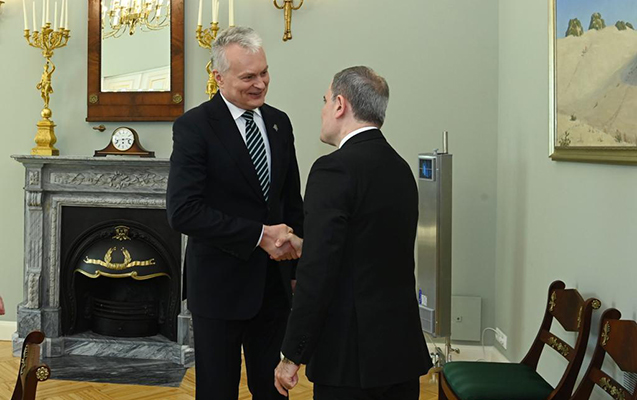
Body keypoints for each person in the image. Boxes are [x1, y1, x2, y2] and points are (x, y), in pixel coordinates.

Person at [274, 66, 433, 399]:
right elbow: (370, 246)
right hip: (400, 351)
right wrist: (307, 244)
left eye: (325, 100)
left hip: (350, 358)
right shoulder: (400, 167)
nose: (322, 109)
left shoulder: (333, 169)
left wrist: (292, 355)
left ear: (340, 105)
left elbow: (318, 273)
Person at [166, 27, 304, 400]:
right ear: (218, 77)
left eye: (264, 72)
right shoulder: (194, 127)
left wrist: (297, 269)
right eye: (248, 77)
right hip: (219, 288)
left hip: (274, 286)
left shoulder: (279, 122)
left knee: (272, 390)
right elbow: (183, 211)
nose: (260, 84)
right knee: (217, 390)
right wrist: (259, 235)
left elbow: (291, 201)